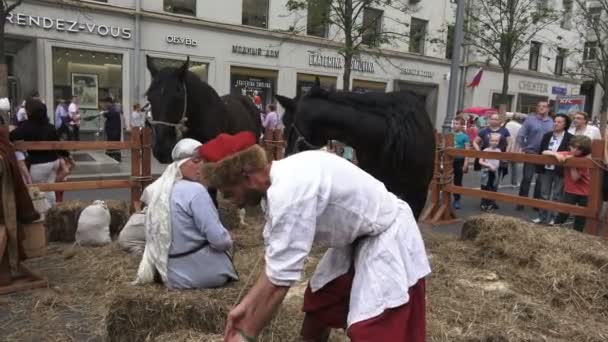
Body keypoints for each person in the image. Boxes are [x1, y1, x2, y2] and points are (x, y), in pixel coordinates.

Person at [197, 132, 430, 342]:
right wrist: (243, 309)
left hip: (387, 234)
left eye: (229, 192)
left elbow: (280, 281)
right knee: (322, 300)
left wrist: (247, 334)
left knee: (372, 329)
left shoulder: (291, 192)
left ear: (246, 176)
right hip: (356, 239)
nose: (231, 201)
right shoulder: (279, 181)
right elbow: (274, 263)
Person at [133, 138, 238, 290]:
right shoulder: (196, 191)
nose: (201, 166)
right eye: (195, 161)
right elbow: (219, 241)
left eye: (203, 161)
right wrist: (228, 237)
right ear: (180, 165)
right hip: (199, 275)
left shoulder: (158, 190)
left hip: (168, 274)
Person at [9, 99, 68, 207]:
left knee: (37, 192)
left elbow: (10, 136)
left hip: (39, 164)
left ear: (29, 112)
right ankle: (53, 212)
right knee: (50, 189)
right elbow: (58, 145)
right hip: (54, 162)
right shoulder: (50, 126)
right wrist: (67, 155)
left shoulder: (26, 126)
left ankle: (42, 215)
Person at [545, 135, 592, 232]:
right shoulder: (567, 153)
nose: (574, 150)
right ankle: (554, 231)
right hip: (570, 190)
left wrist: (571, 163)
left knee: (580, 216)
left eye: (578, 149)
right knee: (563, 212)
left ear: (584, 150)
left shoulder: (584, 160)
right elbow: (544, 152)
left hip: (585, 192)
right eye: (573, 146)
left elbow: (575, 178)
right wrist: (556, 155)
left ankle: (577, 235)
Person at [532, 114, 573, 225]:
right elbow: (542, 151)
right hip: (546, 168)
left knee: (557, 195)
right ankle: (542, 216)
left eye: (559, 122)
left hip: (560, 170)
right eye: (555, 121)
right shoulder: (547, 135)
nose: (555, 123)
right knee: (544, 194)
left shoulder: (570, 137)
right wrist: (555, 154)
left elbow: (571, 154)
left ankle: (554, 218)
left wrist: (561, 156)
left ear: (565, 124)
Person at [516, 101, 554, 210]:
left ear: (548, 109)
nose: (542, 108)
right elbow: (520, 135)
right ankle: (521, 202)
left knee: (540, 180)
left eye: (544, 106)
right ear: (537, 108)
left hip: (545, 155)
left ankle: (536, 204)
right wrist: (524, 147)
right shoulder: (530, 120)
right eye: (540, 106)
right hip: (531, 153)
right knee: (527, 178)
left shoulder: (552, 122)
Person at [479, 133, 501, 211]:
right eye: (492, 140)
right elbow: (480, 161)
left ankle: (491, 203)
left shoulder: (499, 151)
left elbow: (498, 161)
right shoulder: (486, 150)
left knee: (493, 188)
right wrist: (488, 165)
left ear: (499, 141)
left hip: (494, 173)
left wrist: (495, 167)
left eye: (496, 141)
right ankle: (484, 203)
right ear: (489, 141)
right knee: (485, 187)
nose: (494, 142)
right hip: (486, 173)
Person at [452, 116, 470, 209]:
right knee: (444, 179)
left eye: (457, 123)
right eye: (454, 123)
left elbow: (467, 151)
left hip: (459, 160)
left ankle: (457, 199)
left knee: (457, 180)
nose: (454, 125)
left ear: (462, 125)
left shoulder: (465, 137)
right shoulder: (449, 135)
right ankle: (444, 197)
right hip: (449, 160)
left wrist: (466, 163)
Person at [100, 97, 123, 161]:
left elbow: (110, 114)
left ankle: (115, 158)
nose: (104, 105)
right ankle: (111, 157)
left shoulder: (114, 109)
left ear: (108, 102)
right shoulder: (111, 108)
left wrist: (104, 113)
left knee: (114, 145)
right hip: (112, 132)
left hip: (114, 132)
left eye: (105, 103)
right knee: (112, 146)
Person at [505, 113, 524, 187]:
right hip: (515, 147)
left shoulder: (508, 124)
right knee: (514, 166)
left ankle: (497, 181)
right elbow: (521, 139)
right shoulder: (520, 126)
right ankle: (514, 182)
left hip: (507, 147)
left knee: (503, 164)